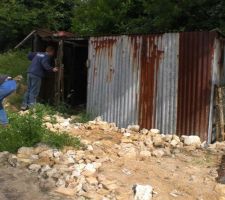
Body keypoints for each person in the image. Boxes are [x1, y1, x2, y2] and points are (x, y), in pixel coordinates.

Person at [21, 46, 58, 110]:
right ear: (51, 52)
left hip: (29, 72)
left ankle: (24, 105)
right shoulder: (46, 56)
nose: (53, 54)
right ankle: (31, 107)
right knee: (34, 90)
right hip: (36, 74)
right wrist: (52, 69)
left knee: (28, 89)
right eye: (53, 53)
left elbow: (29, 55)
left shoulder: (39, 53)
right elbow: (45, 64)